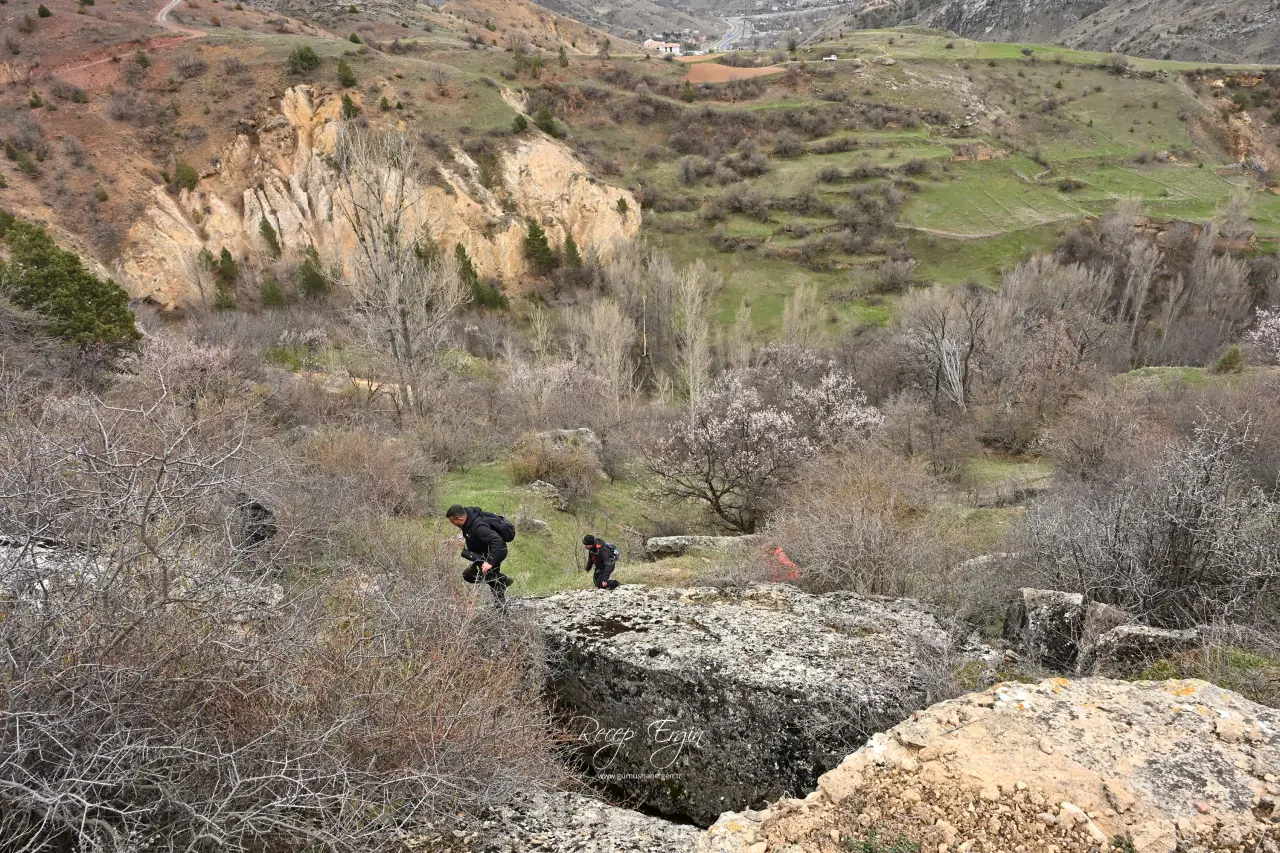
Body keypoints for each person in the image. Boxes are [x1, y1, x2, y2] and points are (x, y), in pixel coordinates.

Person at [447, 504, 514, 603]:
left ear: (460, 519)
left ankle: (501, 606)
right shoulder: (468, 519)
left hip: (495, 552)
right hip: (482, 553)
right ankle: (502, 581)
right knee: (470, 575)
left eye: (453, 522)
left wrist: (490, 562)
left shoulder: (479, 527)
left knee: (492, 579)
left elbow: (497, 541)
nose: (453, 524)